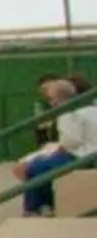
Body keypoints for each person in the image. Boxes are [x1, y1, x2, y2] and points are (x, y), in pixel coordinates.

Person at [16, 75, 95, 217]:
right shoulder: (91, 107)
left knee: (35, 168)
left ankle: (37, 207)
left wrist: (58, 149)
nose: (52, 103)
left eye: (53, 99)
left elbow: (71, 141)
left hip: (82, 157)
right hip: (89, 153)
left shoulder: (69, 112)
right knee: (43, 164)